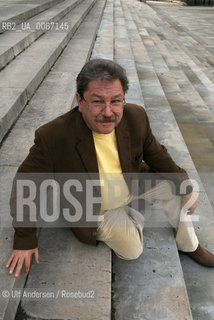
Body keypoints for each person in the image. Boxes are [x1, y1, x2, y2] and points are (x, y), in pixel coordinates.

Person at [6, 58, 214, 278]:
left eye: (116, 101)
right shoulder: (54, 136)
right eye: (97, 101)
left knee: (175, 188)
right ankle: (132, 213)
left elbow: (156, 154)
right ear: (80, 100)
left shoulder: (136, 117)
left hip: (131, 184)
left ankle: (190, 245)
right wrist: (25, 239)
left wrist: (185, 184)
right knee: (133, 250)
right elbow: (26, 185)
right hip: (96, 207)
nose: (108, 112)